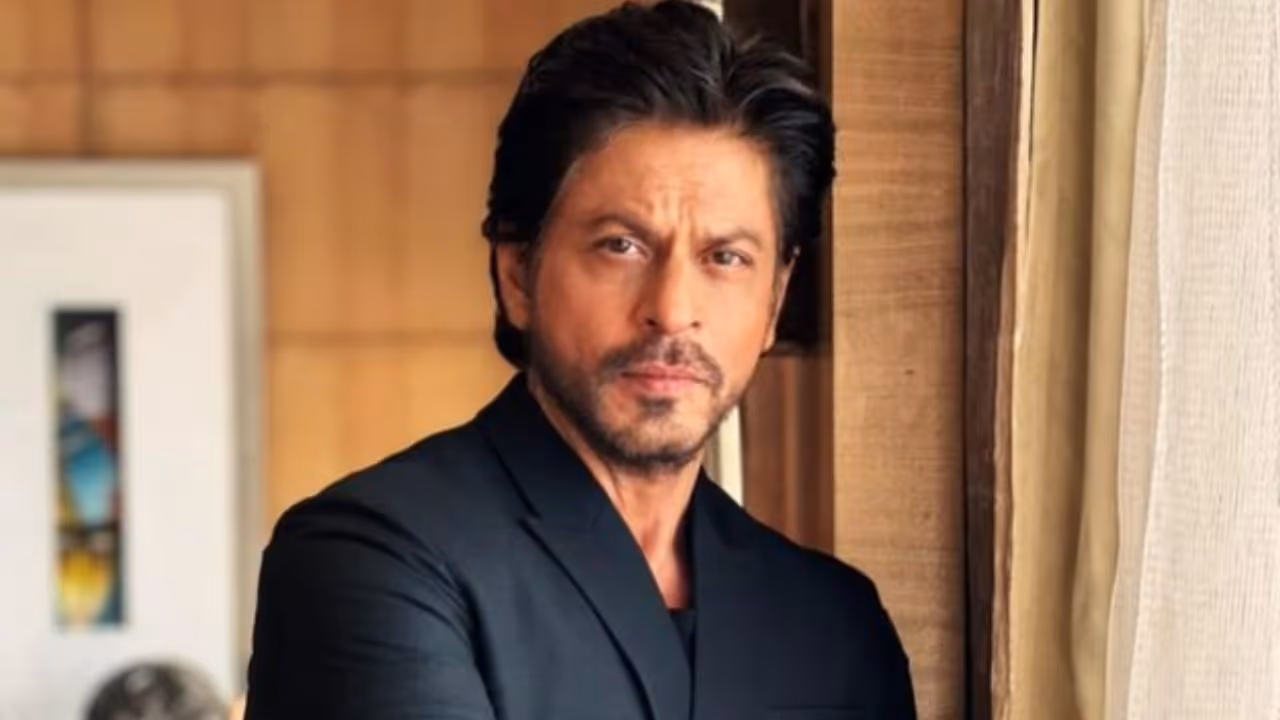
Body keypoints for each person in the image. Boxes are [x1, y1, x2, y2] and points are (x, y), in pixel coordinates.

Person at [244, 2, 916, 718]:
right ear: (518, 275)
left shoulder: (834, 625)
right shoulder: (372, 559)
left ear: (774, 301)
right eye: (621, 246)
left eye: (725, 257)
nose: (672, 309)